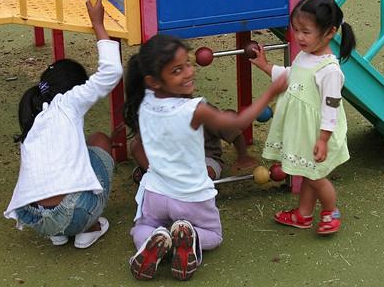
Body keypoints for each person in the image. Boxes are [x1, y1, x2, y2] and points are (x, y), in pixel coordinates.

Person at [123, 34, 287, 281]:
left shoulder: (144, 102)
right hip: (191, 197)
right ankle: (190, 235)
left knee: (140, 227)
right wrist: (271, 91)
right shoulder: (194, 109)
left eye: (188, 63)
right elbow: (238, 122)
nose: (188, 72)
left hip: (155, 193)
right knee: (213, 234)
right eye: (177, 70)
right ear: (155, 81)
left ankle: (153, 237)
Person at [4, 0, 123, 248]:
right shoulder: (68, 101)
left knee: (82, 151)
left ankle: (57, 234)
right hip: (75, 211)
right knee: (101, 140)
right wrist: (98, 24)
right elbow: (111, 72)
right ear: (74, 87)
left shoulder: (34, 113)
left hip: (33, 217)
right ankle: (88, 228)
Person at [250, 0, 356, 235]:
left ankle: (331, 212)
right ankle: (303, 215)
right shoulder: (305, 56)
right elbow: (291, 76)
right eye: (296, 29)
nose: (299, 37)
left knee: (316, 177)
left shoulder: (329, 70)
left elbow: (331, 106)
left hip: (317, 132)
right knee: (308, 173)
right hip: (302, 131)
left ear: (330, 32)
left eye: (306, 32)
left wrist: (323, 139)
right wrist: (266, 65)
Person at [130, 108, 258, 183]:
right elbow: (137, 145)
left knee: (208, 173)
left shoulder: (201, 112)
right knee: (137, 147)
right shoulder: (158, 112)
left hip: (205, 158)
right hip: (172, 160)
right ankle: (159, 177)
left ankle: (176, 183)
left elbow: (233, 131)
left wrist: (243, 156)